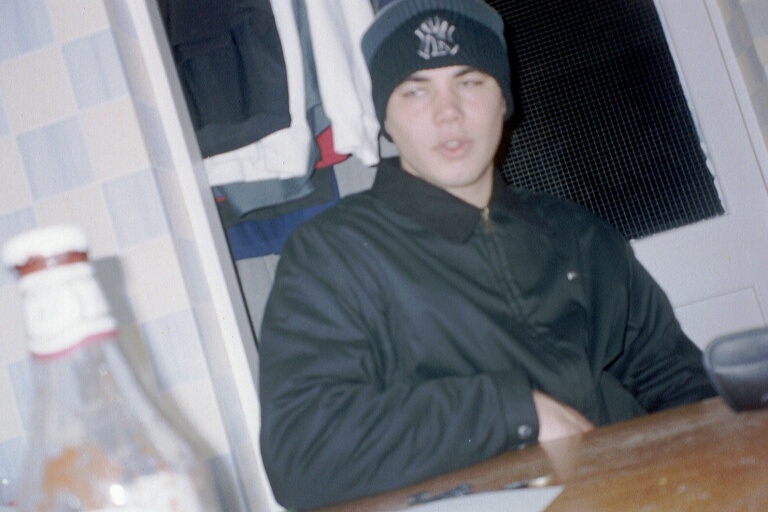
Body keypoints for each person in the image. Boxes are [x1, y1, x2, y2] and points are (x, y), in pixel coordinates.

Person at [258, 0, 716, 509]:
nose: (448, 112)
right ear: (385, 115)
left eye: (470, 81)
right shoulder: (332, 256)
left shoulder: (578, 233)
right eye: (415, 90)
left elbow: (674, 378)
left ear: (504, 100)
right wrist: (513, 411)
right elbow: (301, 452)